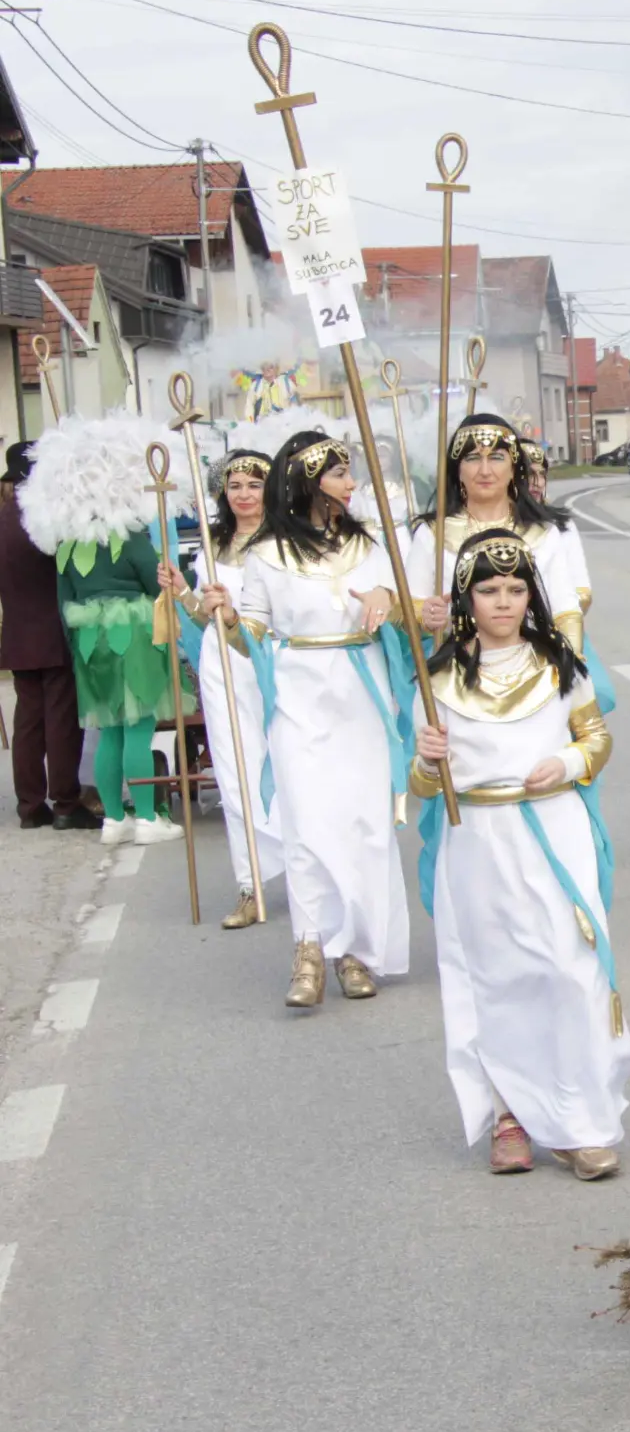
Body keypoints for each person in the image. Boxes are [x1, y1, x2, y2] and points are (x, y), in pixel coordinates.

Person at [414, 527, 630, 1180]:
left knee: (570, 970)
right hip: (477, 840)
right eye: (488, 589)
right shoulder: (439, 678)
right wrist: (429, 765)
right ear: (467, 596)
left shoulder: (561, 663)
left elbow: (595, 740)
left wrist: (566, 763)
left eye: (515, 589)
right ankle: (509, 1117)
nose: (503, 601)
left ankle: (580, 1122)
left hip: (552, 828)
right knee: (496, 978)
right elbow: (420, 785)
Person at [204, 431, 411, 1008]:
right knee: (308, 823)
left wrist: (387, 598)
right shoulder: (268, 553)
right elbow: (254, 638)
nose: (352, 484)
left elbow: (405, 609)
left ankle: (358, 952)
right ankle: (311, 947)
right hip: (298, 695)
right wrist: (226, 618)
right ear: (310, 482)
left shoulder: (371, 545)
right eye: (341, 474)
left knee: (364, 824)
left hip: (363, 694)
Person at [20, 419, 190, 848]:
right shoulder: (129, 536)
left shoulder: (66, 544)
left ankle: (115, 819)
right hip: (132, 637)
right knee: (138, 727)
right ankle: (149, 817)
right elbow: (158, 587)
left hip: (88, 642)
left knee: (110, 730)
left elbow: (63, 601)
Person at [156, 449, 286, 928]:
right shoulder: (214, 545)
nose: (245, 495)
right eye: (236, 486)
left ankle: (307, 870)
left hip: (272, 661)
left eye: (254, 485)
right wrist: (183, 593)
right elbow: (202, 617)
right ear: (223, 494)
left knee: (288, 763)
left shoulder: (287, 542)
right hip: (222, 664)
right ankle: (250, 883)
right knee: (234, 771)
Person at [406, 414, 588, 655]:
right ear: (457, 470)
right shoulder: (433, 534)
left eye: (496, 458)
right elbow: (408, 605)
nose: (484, 470)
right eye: (472, 458)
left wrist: (572, 665)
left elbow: (565, 610)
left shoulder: (542, 532)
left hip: (535, 668)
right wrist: (424, 614)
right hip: (458, 670)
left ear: (514, 468)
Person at [0, 441, 98, 831]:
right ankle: (65, 801)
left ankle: (30, 806)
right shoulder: (48, 519)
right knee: (60, 721)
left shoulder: (3, 519)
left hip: (18, 633)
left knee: (27, 721)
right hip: (54, 629)